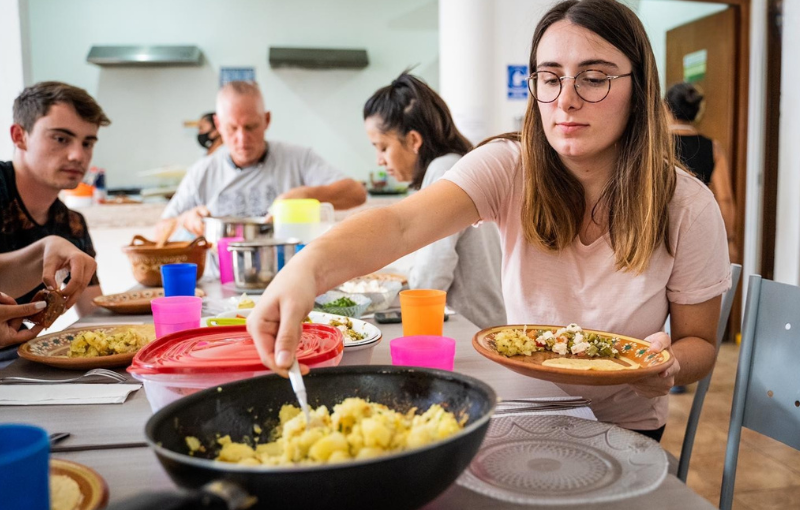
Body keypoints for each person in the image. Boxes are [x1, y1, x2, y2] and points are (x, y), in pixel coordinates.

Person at [246, 0, 731, 441]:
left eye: (594, 76)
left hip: (626, 426)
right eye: (550, 76)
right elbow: (399, 225)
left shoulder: (686, 205)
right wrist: (305, 270)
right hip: (523, 407)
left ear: (639, 87)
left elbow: (700, 343)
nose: (565, 100)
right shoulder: (508, 165)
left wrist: (666, 365)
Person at [363, 73, 505, 329]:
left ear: (414, 140)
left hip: (472, 328)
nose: (380, 161)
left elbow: (429, 280)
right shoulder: (456, 163)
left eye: (382, 147)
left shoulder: (444, 173)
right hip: (484, 323)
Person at [158, 81, 367, 237]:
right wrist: (185, 219)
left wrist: (305, 194)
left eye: (251, 127)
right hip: (222, 283)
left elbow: (356, 193)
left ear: (266, 120)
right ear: (218, 124)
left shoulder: (298, 159)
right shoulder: (202, 172)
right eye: (232, 128)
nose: (242, 138)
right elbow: (160, 232)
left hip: (290, 279)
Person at [1, 81, 109, 315]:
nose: (78, 155)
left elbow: (94, 315)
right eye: (61, 139)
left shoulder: (72, 224)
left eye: (87, 143)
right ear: (20, 136)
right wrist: (44, 250)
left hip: (22, 351)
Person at [665, 82, 737, 261]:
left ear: (665, 107)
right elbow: (725, 198)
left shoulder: (655, 145)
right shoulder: (712, 147)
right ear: (698, 111)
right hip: (698, 232)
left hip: (662, 230)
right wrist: (729, 240)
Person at [0, 236, 97, 347]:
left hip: (21, 345)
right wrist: (44, 247)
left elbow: (92, 309)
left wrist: (49, 243)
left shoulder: (72, 223)